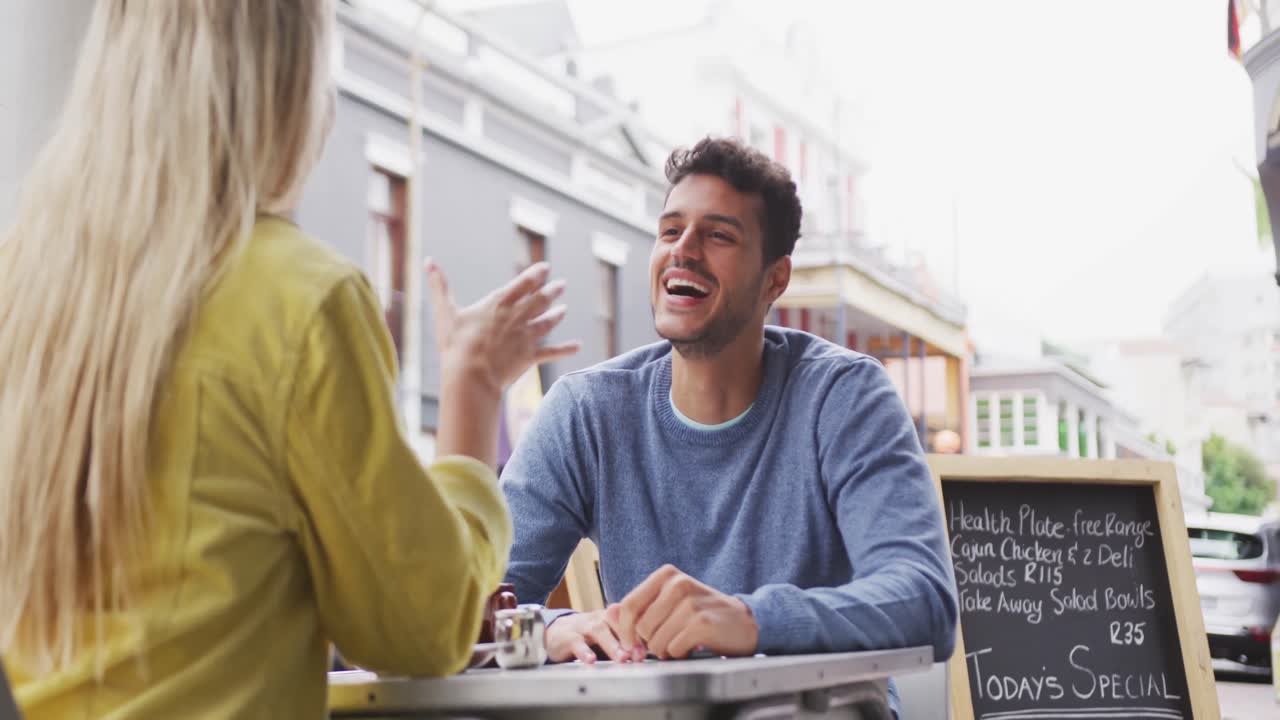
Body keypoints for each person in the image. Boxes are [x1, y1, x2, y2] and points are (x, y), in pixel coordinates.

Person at [0, 2, 576, 717]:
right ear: (287, 89)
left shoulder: (23, 287)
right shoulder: (300, 298)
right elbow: (421, 628)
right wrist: (475, 384)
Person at [501, 136, 958, 713]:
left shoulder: (845, 398)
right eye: (670, 231)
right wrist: (548, 630)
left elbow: (923, 601)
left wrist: (749, 620)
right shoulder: (586, 411)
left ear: (775, 279)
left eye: (718, 235)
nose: (683, 252)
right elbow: (472, 606)